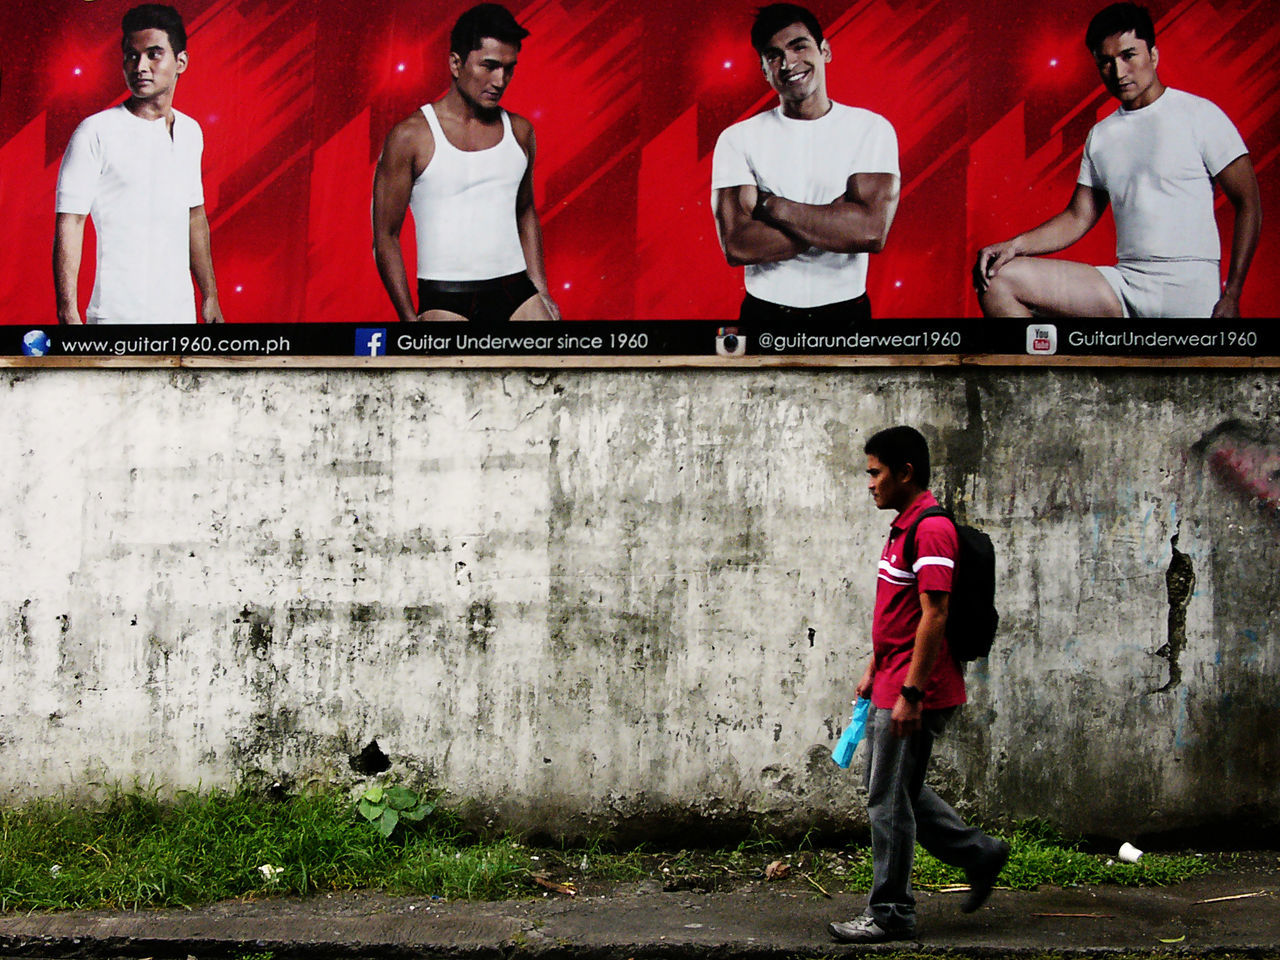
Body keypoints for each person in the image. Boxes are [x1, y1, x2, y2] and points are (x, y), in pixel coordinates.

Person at [828, 426, 1008, 944]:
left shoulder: (929, 530)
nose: (870, 484)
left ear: (905, 472)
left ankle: (891, 913)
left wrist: (911, 693)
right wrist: (874, 665)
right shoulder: (902, 527)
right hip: (892, 676)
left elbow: (935, 613)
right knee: (890, 789)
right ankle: (980, 853)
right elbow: (899, 613)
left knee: (886, 797)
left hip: (915, 687)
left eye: (876, 472)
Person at [973, 2, 1261, 319]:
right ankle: (1051, 371)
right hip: (1126, 286)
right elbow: (1078, 217)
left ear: (1153, 54)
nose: (1119, 72)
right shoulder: (1102, 135)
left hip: (1191, 289)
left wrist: (1232, 293)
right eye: (1106, 62)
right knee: (996, 280)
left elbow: (1248, 203)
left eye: (1128, 56)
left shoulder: (1201, 115)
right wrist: (1014, 246)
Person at [711, 3, 900, 323]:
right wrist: (834, 218)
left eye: (799, 46)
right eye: (773, 55)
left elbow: (869, 232)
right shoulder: (737, 139)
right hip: (765, 315)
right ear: (764, 70)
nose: (788, 63)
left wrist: (772, 206)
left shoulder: (871, 129)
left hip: (847, 313)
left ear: (825, 50)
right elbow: (738, 245)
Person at [372, 3, 558, 324]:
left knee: (553, 362)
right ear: (456, 64)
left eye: (509, 68)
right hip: (447, 298)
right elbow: (385, 235)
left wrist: (541, 289)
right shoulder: (410, 136)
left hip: (516, 292)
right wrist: (407, 318)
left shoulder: (521, 131)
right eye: (489, 66)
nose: (500, 80)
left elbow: (525, 210)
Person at [54, 4, 222, 325]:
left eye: (154, 54)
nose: (140, 66)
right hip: (115, 320)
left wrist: (210, 296)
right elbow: (70, 223)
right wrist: (68, 312)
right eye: (132, 56)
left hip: (179, 318)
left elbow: (194, 217)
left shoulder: (190, 132)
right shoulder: (96, 131)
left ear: (181, 62)